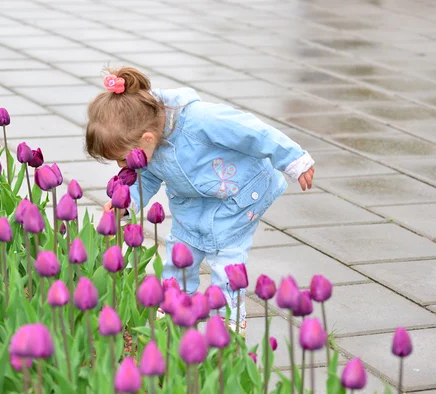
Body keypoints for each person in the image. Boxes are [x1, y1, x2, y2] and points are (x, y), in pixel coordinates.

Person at [86, 67, 315, 334]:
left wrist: (293, 160)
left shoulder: (202, 120)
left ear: (147, 139)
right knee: (180, 251)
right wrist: (126, 203)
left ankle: (228, 320)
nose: (121, 165)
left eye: (123, 158)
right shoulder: (145, 140)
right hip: (192, 201)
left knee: (225, 254)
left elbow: (253, 131)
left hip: (238, 195)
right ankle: (175, 305)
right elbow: (145, 176)